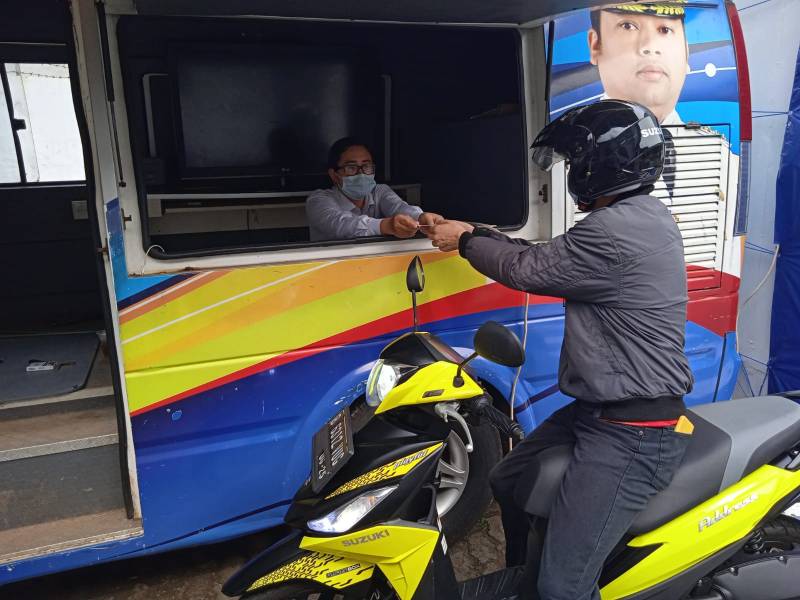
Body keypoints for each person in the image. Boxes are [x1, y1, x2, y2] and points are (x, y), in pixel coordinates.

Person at [426, 100, 694, 600]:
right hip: (598, 413)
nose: (572, 172)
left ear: (601, 165)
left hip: (632, 431)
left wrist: (465, 242)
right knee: (509, 479)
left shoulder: (615, 229)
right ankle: (523, 579)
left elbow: (526, 269)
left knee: (563, 589)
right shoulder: (640, 216)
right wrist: (476, 233)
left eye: (576, 162)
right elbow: (549, 257)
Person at [306, 137, 443, 241]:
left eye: (366, 166)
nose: (361, 174)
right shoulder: (318, 200)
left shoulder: (379, 191)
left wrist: (420, 217)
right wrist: (386, 226)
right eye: (351, 168)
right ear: (334, 175)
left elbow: (399, 207)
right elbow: (341, 225)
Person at [588, 3, 689, 125]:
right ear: (595, 46)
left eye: (665, 30)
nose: (651, 46)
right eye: (628, 26)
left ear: (686, 51)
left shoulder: (709, 138)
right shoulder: (571, 136)